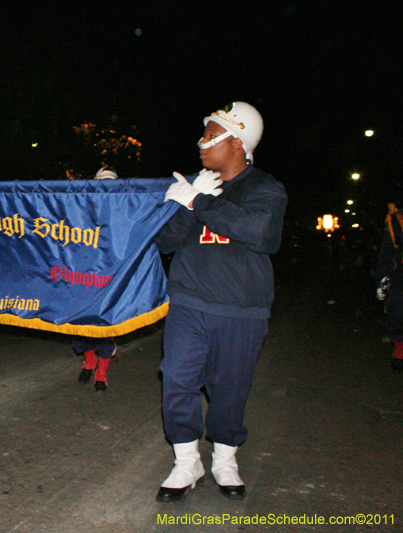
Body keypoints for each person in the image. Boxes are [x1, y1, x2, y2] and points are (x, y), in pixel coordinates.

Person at [155, 102, 286, 503]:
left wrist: (201, 203)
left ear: (238, 143)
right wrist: (183, 205)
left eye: (213, 135)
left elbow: (262, 234)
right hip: (189, 302)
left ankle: (225, 459)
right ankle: (186, 461)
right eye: (205, 133)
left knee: (230, 389)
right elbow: (165, 241)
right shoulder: (194, 184)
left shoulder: (265, 187)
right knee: (177, 378)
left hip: (241, 308)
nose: (202, 142)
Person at [73, 165, 119, 391]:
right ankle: (89, 361)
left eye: (110, 183)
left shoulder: (123, 210)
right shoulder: (83, 208)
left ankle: (101, 372)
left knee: (104, 326)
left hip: (109, 275)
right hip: (84, 273)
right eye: (102, 182)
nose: (106, 188)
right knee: (81, 324)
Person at [375, 199, 403, 373]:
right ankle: (400, 350)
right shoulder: (394, 220)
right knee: (397, 312)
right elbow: (386, 252)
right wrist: (381, 279)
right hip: (400, 274)